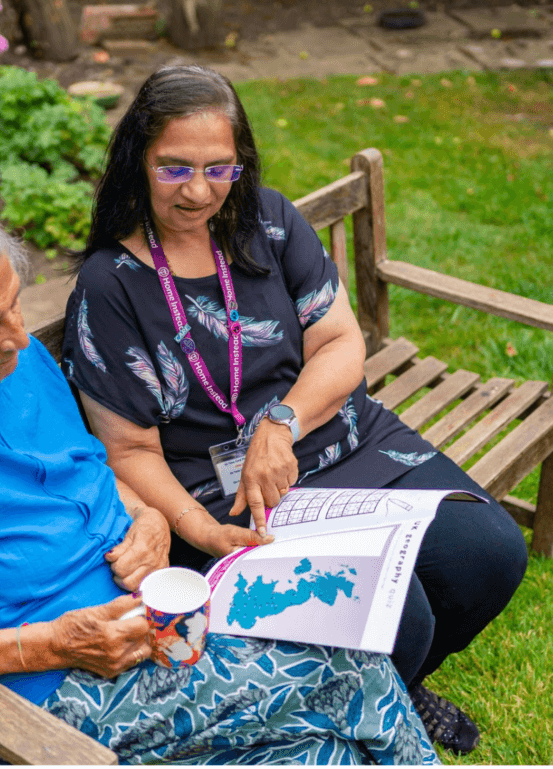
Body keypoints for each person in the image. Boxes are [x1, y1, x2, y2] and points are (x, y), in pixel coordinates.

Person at [0, 189, 438, 765]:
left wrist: (146, 515)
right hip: (50, 698)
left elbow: (90, 468)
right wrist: (54, 644)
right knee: (345, 664)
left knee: (321, 753)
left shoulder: (19, 366)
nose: (20, 336)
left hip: (151, 630)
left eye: (15, 306)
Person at [61, 64, 528, 756]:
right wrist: (201, 530)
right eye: (174, 168)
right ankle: (370, 701)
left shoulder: (269, 223)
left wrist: (281, 423)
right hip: (220, 498)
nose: (198, 191)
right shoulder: (111, 286)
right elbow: (128, 450)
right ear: (139, 161)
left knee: (490, 554)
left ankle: (396, 687)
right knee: (399, 614)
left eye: (218, 169)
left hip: (335, 442)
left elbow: (340, 343)